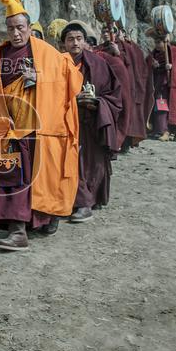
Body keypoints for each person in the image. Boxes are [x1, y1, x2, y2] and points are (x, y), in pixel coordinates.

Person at [0, 0, 80, 250]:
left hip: (37, 127)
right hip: (10, 127)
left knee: (30, 178)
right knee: (14, 176)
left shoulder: (45, 52)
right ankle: (19, 227)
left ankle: (22, 228)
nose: (15, 33)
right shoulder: (0, 55)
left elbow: (72, 80)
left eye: (20, 27)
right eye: (10, 28)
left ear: (29, 25)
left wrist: (41, 78)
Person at [61, 22, 121, 221]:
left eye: (79, 39)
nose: (75, 43)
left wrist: (97, 103)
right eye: (70, 39)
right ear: (63, 44)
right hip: (66, 121)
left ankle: (86, 202)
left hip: (91, 122)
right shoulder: (57, 63)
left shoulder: (97, 64)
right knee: (70, 163)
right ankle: (76, 201)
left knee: (89, 163)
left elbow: (114, 95)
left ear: (85, 41)